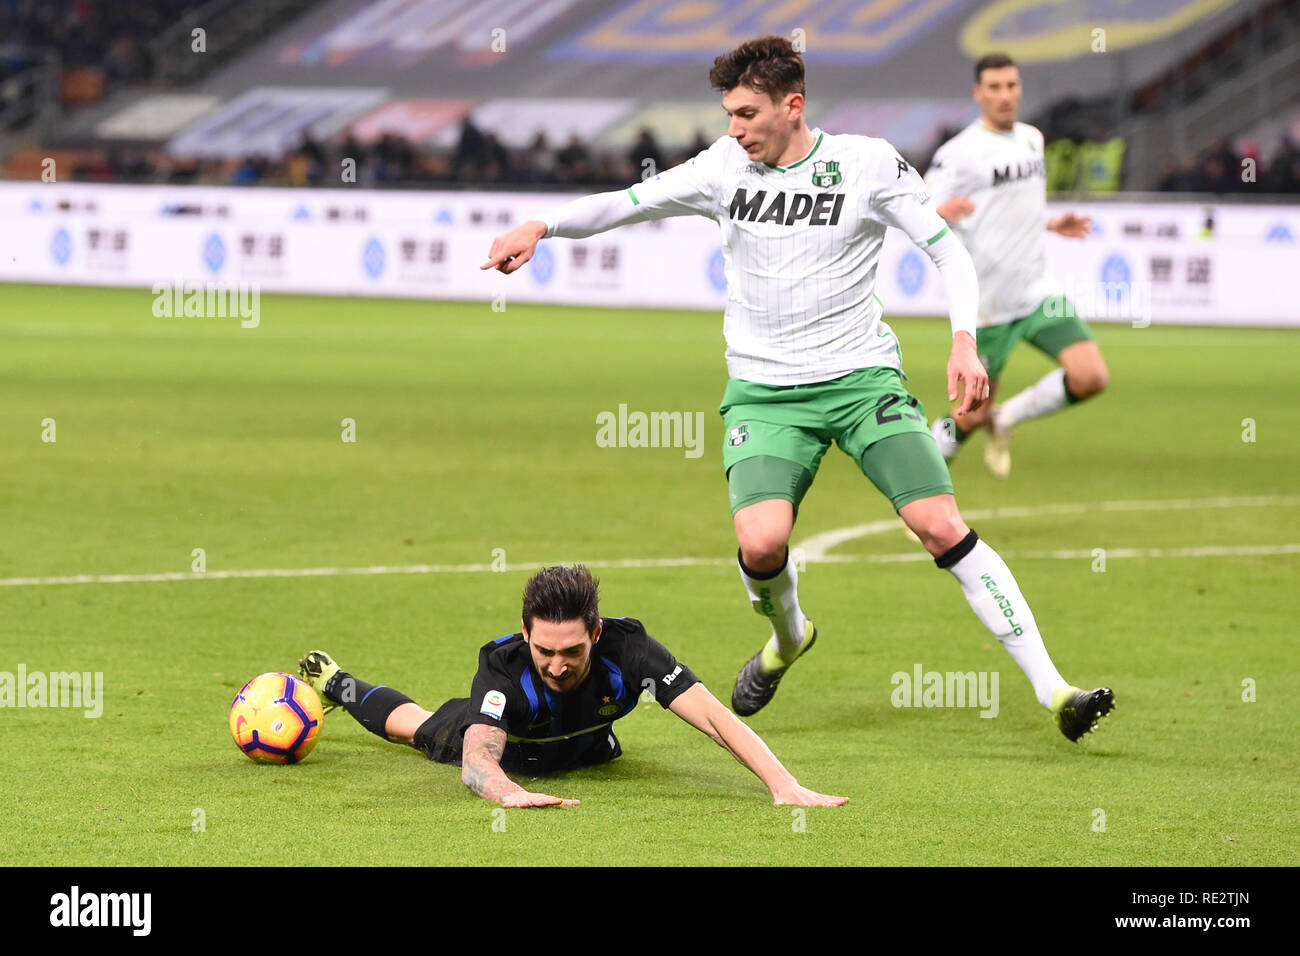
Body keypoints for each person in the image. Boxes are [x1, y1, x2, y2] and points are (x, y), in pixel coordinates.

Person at [480, 36, 1113, 742]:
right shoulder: (725, 167)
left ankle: (1057, 690)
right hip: (766, 392)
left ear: (792, 105)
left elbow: (946, 249)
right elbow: (631, 202)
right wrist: (542, 224)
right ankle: (788, 638)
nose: (735, 128)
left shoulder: (866, 163)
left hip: (862, 380)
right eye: (728, 113)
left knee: (939, 524)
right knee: (761, 543)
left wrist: (963, 338)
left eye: (747, 113)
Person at [297, 565, 849, 808]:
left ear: (597, 633)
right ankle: (338, 683)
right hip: (512, 748)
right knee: (414, 727)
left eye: (572, 651)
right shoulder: (503, 666)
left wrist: (783, 784)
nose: (557, 665)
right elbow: (476, 762)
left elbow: (715, 720)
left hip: (586, 746)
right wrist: (508, 791)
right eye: (544, 651)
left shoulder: (630, 650)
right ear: (525, 634)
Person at [923, 53, 1109, 479]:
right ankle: (922, 487)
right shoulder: (960, 153)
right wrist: (939, 209)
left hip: (1037, 290)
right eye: (994, 87)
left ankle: (1005, 418)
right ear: (978, 93)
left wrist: (1050, 221)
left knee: (1091, 375)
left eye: (1011, 85)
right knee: (967, 417)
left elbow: (1012, 206)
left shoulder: (1031, 138)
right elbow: (920, 203)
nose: (1005, 95)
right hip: (989, 305)